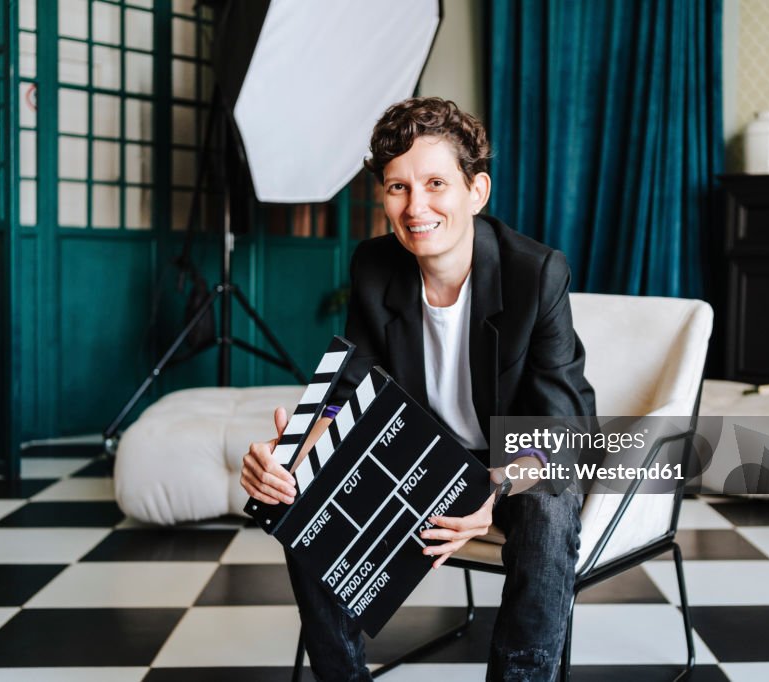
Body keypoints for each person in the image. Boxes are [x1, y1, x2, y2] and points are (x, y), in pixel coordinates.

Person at [240, 97, 595, 681]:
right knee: (298, 491)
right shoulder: (374, 266)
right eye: (398, 187)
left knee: (550, 508)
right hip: (422, 457)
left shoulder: (537, 272)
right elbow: (345, 394)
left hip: (519, 458)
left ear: (476, 192)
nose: (416, 206)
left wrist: (492, 488)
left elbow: (565, 430)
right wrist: (291, 457)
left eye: (435, 183)